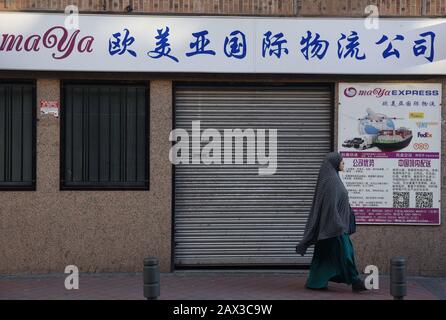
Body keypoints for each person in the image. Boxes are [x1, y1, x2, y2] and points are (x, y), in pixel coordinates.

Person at [295, 151, 367, 292]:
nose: (343, 164)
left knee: (323, 256)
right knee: (346, 253)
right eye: (342, 161)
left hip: (331, 226)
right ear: (334, 163)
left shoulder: (334, 178)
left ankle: (315, 282)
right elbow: (330, 206)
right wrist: (338, 225)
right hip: (335, 226)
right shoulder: (332, 182)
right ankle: (355, 281)